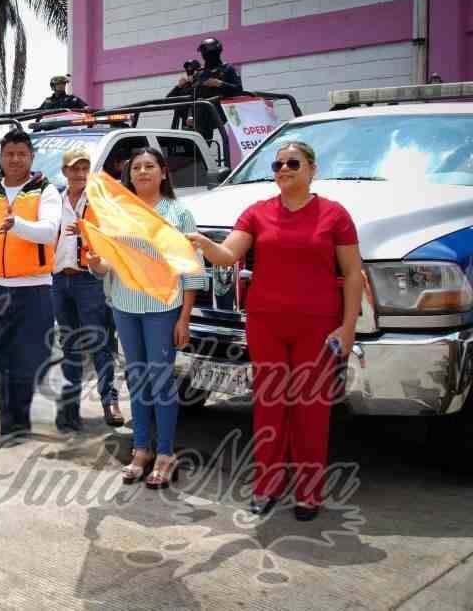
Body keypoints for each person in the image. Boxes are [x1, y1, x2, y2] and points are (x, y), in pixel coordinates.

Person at [187, 141, 363, 521]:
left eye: (293, 163)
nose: (283, 169)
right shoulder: (257, 213)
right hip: (266, 322)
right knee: (269, 406)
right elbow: (228, 255)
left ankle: (309, 492)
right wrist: (202, 243)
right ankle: (267, 486)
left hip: (317, 325)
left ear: (312, 169)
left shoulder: (334, 214)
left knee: (310, 409)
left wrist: (348, 327)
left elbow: (352, 274)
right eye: (278, 163)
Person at [87, 147, 207, 489]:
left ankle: (166, 453)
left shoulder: (178, 213)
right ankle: (141, 450)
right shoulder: (118, 213)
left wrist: (184, 317)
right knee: (137, 381)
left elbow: (192, 267)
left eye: (149, 166)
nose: (142, 172)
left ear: (163, 172)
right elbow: (109, 264)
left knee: (161, 382)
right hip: (124, 306)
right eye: (136, 167)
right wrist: (97, 263)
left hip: (163, 309)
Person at [0, 129, 62, 440]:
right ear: (1, 158)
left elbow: (48, 232)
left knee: (29, 357)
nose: (15, 159)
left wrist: (14, 224)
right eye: (9, 154)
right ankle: (12, 418)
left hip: (35, 290)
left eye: (21, 154)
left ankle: (15, 423)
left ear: (31, 157)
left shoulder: (46, 191)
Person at [52, 149, 121, 432]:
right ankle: (69, 408)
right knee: (69, 344)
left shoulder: (99, 201)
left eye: (84, 168)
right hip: (59, 280)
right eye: (74, 169)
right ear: (65, 171)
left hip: (88, 279)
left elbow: (112, 236)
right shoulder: (54, 201)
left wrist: (84, 232)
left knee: (99, 341)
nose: (80, 174)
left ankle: (110, 400)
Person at [191, 38, 243, 141]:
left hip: (220, 111)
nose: (206, 56)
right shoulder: (200, 73)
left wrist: (220, 84)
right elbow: (193, 95)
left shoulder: (228, 69)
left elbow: (239, 90)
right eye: (204, 53)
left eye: (209, 53)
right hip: (200, 114)